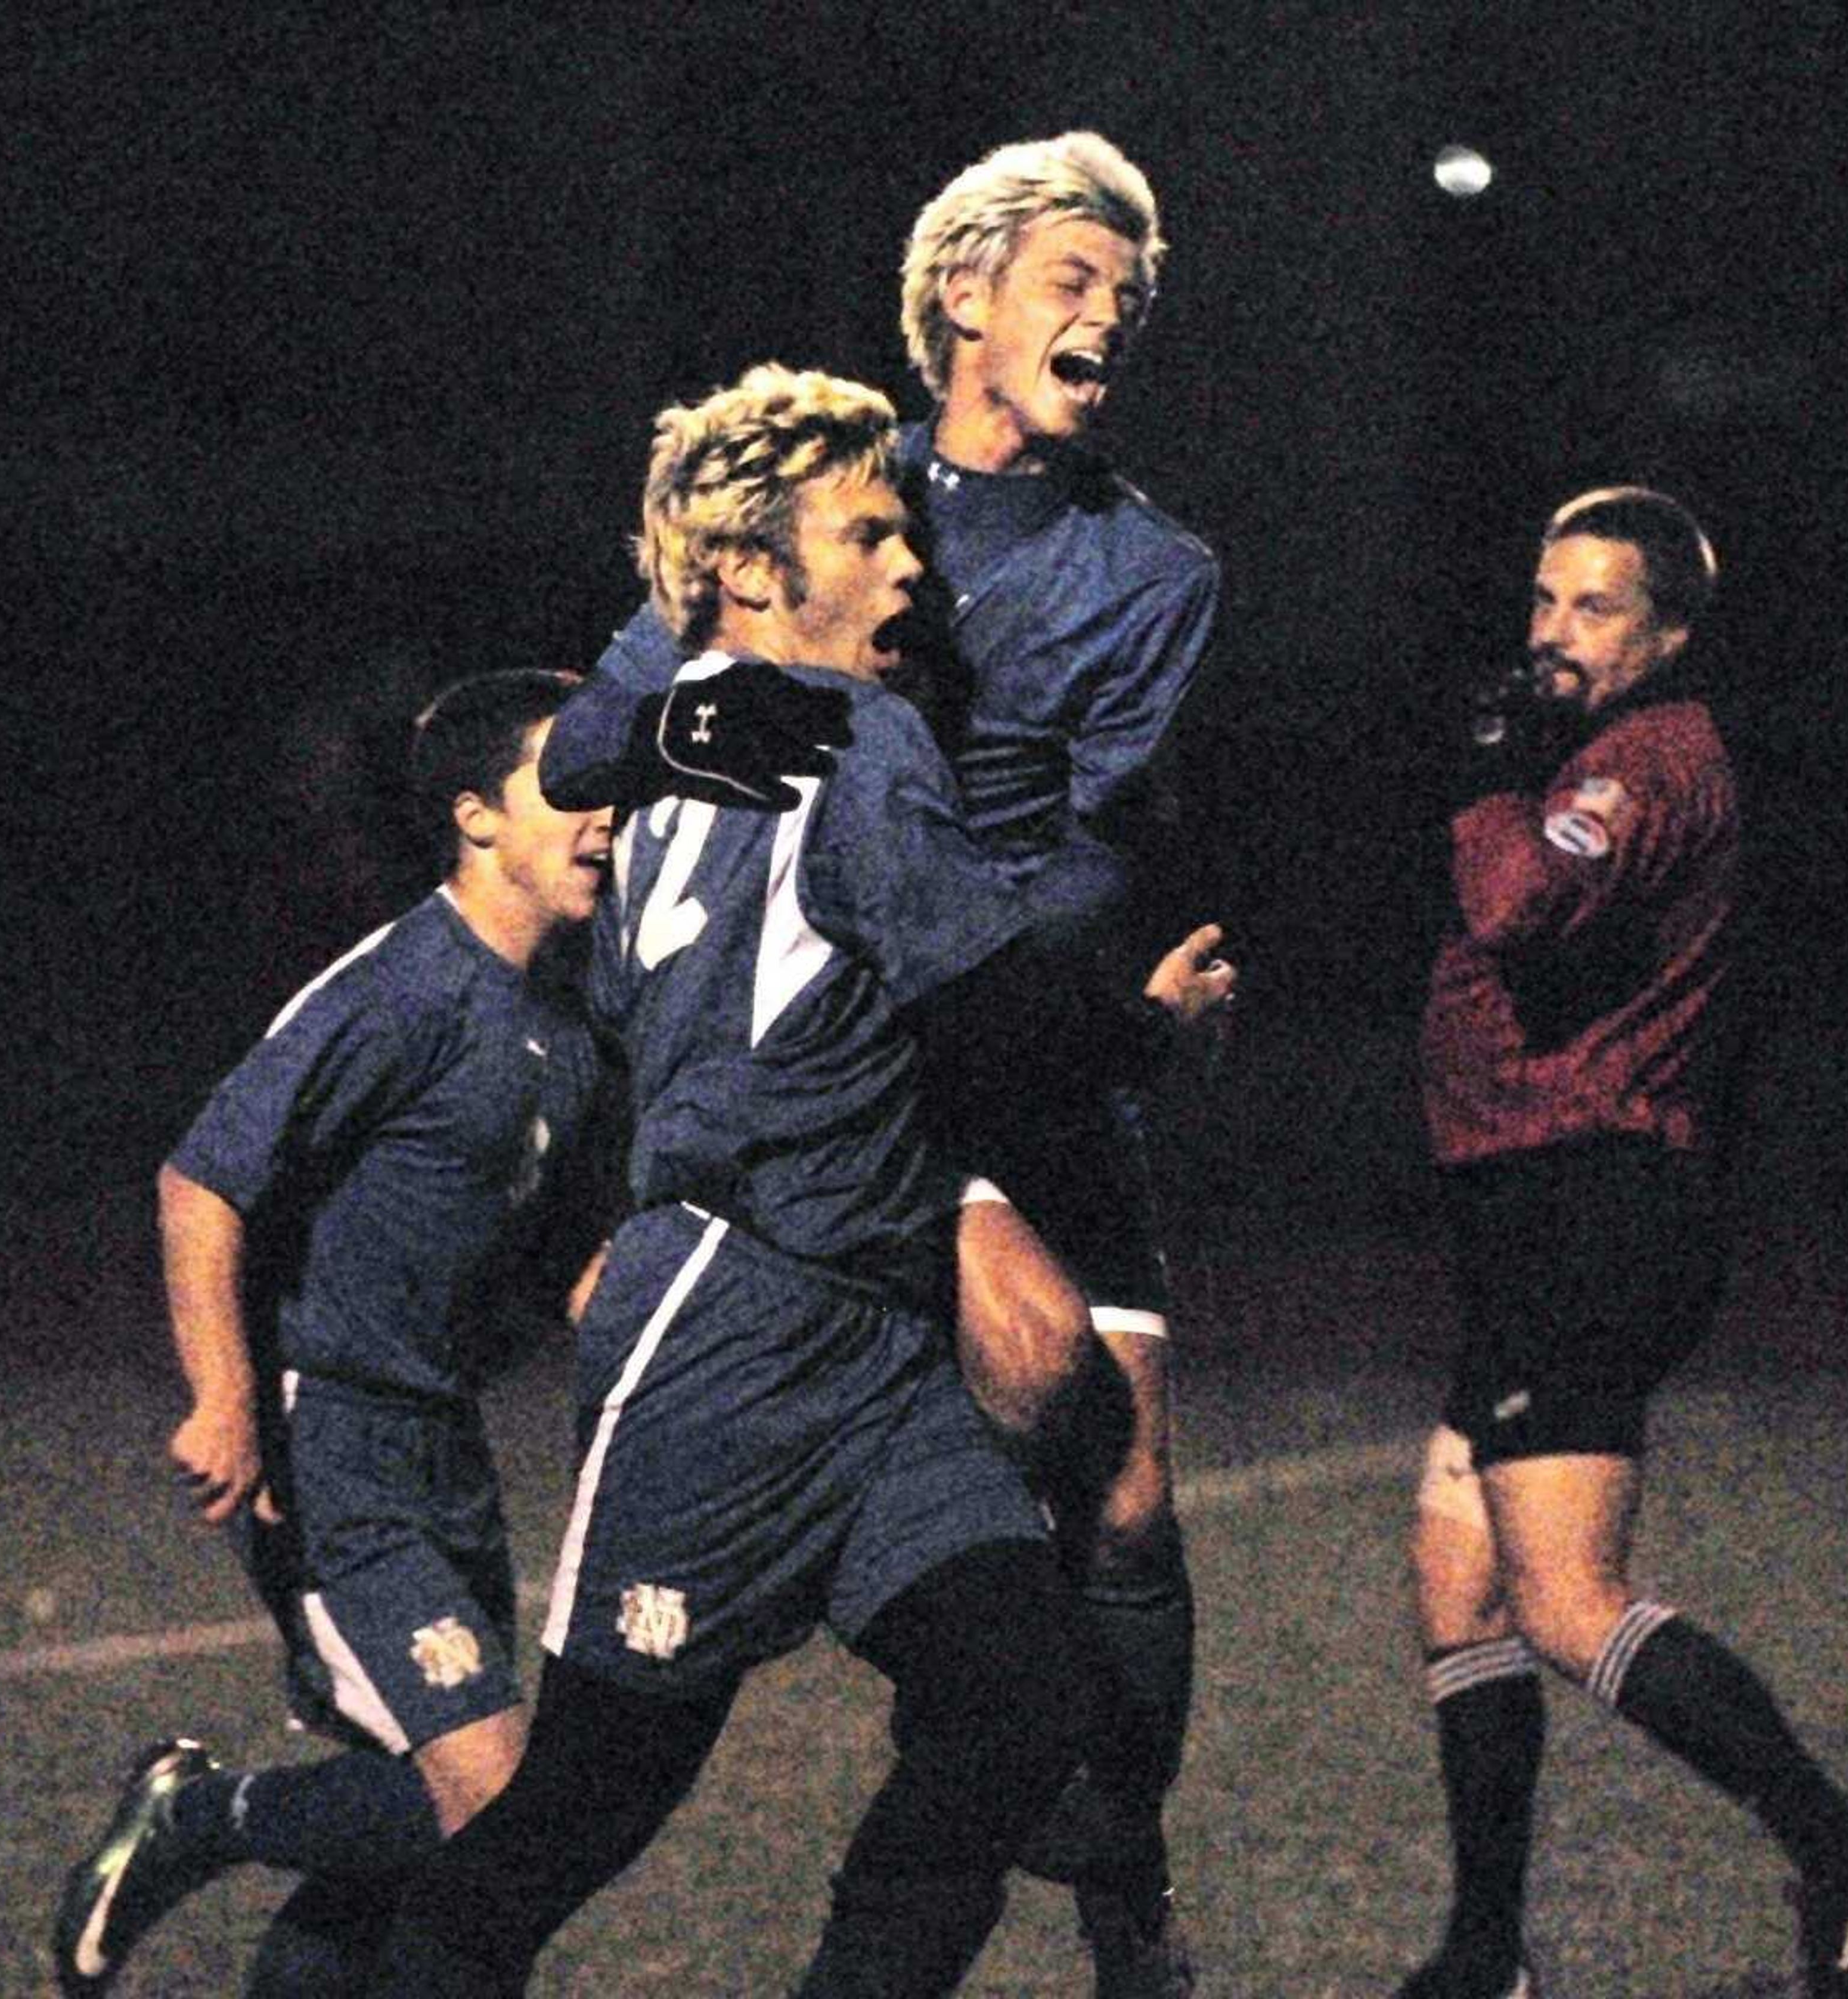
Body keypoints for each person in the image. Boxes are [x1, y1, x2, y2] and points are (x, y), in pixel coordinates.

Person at [364, 363, 1233, 1999]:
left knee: (1014, 1709)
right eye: (870, 533)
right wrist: (1146, 1027)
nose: (913, 568)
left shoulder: (678, 746)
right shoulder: (861, 738)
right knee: (586, 1803)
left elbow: (650, 992)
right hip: (739, 1344)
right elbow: (982, 996)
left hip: (867, 1339)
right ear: (759, 571)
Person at [542, 132, 1218, 1996]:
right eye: (1074, 278)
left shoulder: (1147, 567)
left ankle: (1121, 1882)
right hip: (881, 1047)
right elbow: (595, 739)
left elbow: (1082, 837)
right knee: (1038, 1395)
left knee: (1137, 1493)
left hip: (1018, 1007)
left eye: (1131, 296)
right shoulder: (826, 488)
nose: (1111, 316)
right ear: (962, 298)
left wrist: (1056, 990)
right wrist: (768, 728)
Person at [1400, 487, 1848, 1999]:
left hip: (1591, 1208)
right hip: (1536, 1206)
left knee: (1565, 1597)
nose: (1555, 636)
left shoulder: (1646, 761)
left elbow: (1519, 909)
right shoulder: (1585, 756)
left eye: (1595, 610)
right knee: (1457, 1583)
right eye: (1543, 601)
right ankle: (1482, 1954)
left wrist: (1482, 784)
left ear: (1667, 635)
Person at [52, 671, 618, 1996]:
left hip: (442, 1448)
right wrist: (226, 1397)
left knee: (407, 1828)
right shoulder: (402, 988)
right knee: (491, 1799)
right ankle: (197, 1820)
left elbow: (542, 1254)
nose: (607, 815)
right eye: (573, 784)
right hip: (335, 1444)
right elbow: (202, 1179)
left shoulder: (568, 1016)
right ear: (478, 816)